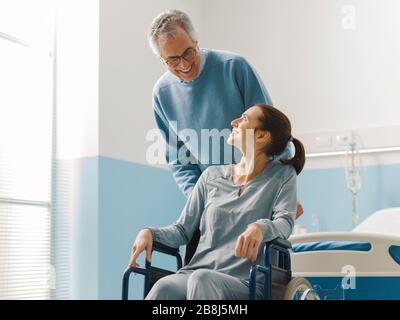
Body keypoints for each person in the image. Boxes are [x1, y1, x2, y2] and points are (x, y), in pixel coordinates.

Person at [148, 10, 304, 262]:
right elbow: (180, 161)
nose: (184, 64)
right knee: (192, 280)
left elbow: (273, 130)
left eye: (188, 52)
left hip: (257, 196)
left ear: (196, 40)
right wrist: (205, 202)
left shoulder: (234, 67)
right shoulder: (162, 94)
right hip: (212, 204)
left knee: (250, 282)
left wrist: (282, 190)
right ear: (162, 60)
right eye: (173, 60)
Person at [129, 104, 306, 300]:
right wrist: (149, 232)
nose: (234, 122)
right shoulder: (211, 176)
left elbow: (285, 222)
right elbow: (182, 230)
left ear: (262, 136)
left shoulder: (282, 175)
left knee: (202, 279)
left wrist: (260, 227)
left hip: (247, 282)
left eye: (244, 119)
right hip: (196, 271)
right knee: (164, 287)